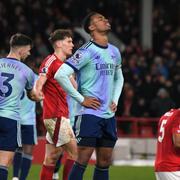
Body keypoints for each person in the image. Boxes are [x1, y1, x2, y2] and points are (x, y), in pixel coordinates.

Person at [54, 12, 124, 180]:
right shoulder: (85, 51)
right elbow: (60, 74)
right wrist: (81, 99)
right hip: (89, 114)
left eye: (105, 18)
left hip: (108, 115)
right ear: (91, 28)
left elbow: (119, 77)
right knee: (84, 157)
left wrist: (115, 99)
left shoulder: (114, 51)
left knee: (105, 160)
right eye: (100, 19)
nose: (105, 19)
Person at [35, 29, 100, 180]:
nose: (72, 45)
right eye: (69, 41)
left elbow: (75, 87)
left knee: (52, 157)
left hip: (60, 116)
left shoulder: (64, 65)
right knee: (76, 154)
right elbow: (41, 81)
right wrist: (37, 91)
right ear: (58, 43)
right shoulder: (50, 61)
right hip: (55, 116)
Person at [0, 33, 39, 180]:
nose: (29, 53)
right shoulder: (27, 72)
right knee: (4, 163)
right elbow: (32, 95)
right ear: (22, 50)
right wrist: (38, 97)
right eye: (28, 50)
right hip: (10, 119)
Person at [12, 75, 38, 180]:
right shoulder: (36, 79)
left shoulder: (15, 77)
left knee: (17, 148)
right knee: (28, 151)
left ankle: (15, 177)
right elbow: (38, 97)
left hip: (15, 118)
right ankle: (22, 178)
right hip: (28, 121)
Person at [154, 109, 180, 180]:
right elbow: (178, 142)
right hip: (173, 168)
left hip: (163, 166)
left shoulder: (167, 114)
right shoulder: (178, 115)